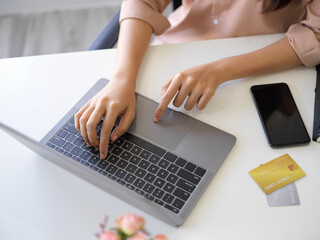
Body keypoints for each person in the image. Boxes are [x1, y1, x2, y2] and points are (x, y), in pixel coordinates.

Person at [75, 0, 320, 159]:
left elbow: (315, 34)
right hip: (171, 54)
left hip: (260, 66)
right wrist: (121, 79)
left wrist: (220, 70)